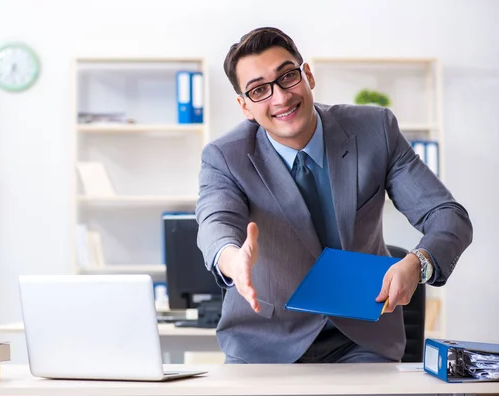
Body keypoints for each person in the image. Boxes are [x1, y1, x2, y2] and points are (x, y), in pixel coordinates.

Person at [195, 27, 473, 364]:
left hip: (361, 338)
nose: (280, 97)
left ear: (308, 75)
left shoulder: (375, 130)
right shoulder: (225, 156)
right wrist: (232, 260)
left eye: (287, 76)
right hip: (264, 343)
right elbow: (216, 221)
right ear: (244, 106)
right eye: (259, 90)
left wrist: (419, 263)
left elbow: (447, 214)